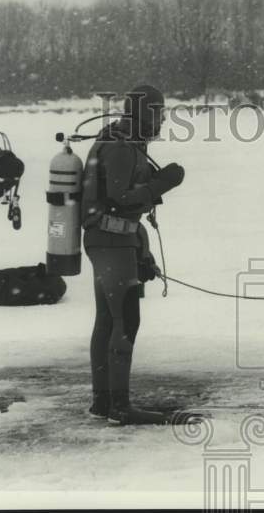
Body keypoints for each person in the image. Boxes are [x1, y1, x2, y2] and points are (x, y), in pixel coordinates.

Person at [81, 84, 185, 425]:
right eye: (158, 112)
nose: (162, 120)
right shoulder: (122, 148)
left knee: (108, 321)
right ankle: (120, 407)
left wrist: (142, 252)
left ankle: (103, 401)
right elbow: (121, 199)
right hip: (110, 243)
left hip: (110, 241)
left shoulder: (122, 142)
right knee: (126, 320)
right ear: (143, 113)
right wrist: (163, 183)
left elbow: (125, 210)